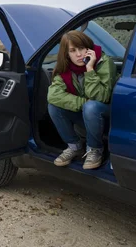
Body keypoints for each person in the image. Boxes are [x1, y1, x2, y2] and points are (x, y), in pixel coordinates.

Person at [47, 30, 117, 170]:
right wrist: (84, 103)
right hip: (87, 113)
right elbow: (53, 95)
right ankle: (75, 146)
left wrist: (89, 69)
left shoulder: (104, 62)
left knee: (91, 107)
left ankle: (95, 149)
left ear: (88, 48)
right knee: (54, 106)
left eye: (81, 48)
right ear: (66, 53)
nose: (78, 54)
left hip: (106, 116)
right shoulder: (65, 68)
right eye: (73, 50)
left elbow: (101, 97)